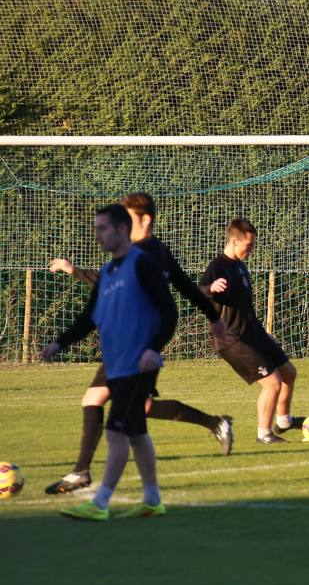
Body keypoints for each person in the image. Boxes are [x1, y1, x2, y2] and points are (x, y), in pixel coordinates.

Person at [44, 193, 234, 495]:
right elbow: (179, 288)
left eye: (126, 218)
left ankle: (88, 480)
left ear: (143, 220)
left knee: (109, 414)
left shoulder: (145, 255)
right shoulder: (146, 252)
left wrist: (158, 342)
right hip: (125, 346)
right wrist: (213, 318)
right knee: (138, 412)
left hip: (138, 345)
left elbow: (175, 297)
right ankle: (214, 424)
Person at [41, 204, 179, 520]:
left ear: (121, 229)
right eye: (96, 228)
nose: (97, 234)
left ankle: (100, 503)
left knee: (116, 431)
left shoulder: (142, 265)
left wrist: (152, 348)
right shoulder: (107, 272)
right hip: (117, 366)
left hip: (139, 364)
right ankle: (153, 500)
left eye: (102, 228)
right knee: (136, 433)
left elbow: (169, 312)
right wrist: (59, 342)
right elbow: (90, 317)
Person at [200, 218, 300, 445]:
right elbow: (198, 291)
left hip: (253, 333)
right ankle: (264, 434)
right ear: (234, 241)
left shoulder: (240, 266)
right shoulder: (218, 266)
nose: (251, 250)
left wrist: (264, 334)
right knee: (272, 383)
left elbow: (246, 308)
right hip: (231, 339)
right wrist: (210, 288)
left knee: (289, 374)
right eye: (249, 246)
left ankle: (283, 421)